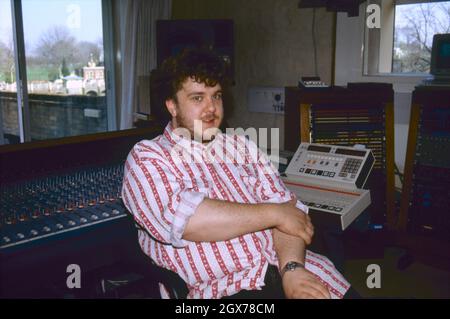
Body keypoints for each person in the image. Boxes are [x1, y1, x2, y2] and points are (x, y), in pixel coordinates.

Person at [122, 48, 351, 299]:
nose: (211, 108)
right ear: (172, 106)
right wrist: (274, 213)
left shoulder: (242, 146)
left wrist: (292, 268)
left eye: (216, 96)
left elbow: (292, 217)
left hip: (293, 270)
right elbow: (187, 221)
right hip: (226, 291)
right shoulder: (147, 157)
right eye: (198, 98)